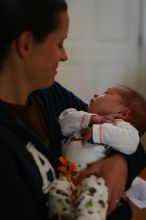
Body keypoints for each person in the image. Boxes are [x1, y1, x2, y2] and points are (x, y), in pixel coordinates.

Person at [0, 0, 145, 220]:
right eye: (59, 43)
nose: (64, 56)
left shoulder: (48, 94)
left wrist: (120, 164)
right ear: (27, 44)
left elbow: (128, 135)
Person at [48, 84, 146, 219]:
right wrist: (90, 120)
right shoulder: (82, 117)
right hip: (67, 174)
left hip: (94, 176)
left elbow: (131, 142)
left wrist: (99, 130)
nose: (96, 94)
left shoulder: (120, 126)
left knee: (93, 197)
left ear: (122, 113)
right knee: (56, 192)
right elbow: (64, 123)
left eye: (105, 93)